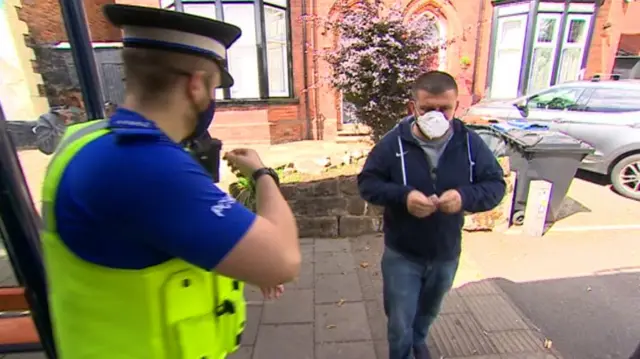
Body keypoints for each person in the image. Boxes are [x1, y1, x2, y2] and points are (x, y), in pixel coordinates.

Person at [40, 4, 300, 358]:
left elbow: (161, 236)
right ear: (195, 86)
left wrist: (248, 259)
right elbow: (283, 259)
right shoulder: (146, 166)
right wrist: (262, 174)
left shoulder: (89, 139)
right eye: (214, 87)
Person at [358, 71, 506, 359]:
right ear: (412, 107)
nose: (436, 116)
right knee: (400, 321)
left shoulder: (470, 143)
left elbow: (495, 185)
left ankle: (419, 340)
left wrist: (465, 196)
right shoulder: (393, 144)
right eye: (427, 109)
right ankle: (402, 352)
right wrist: (404, 197)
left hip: (445, 252)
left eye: (444, 109)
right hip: (403, 253)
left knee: (428, 311)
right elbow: (367, 183)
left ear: (456, 107)